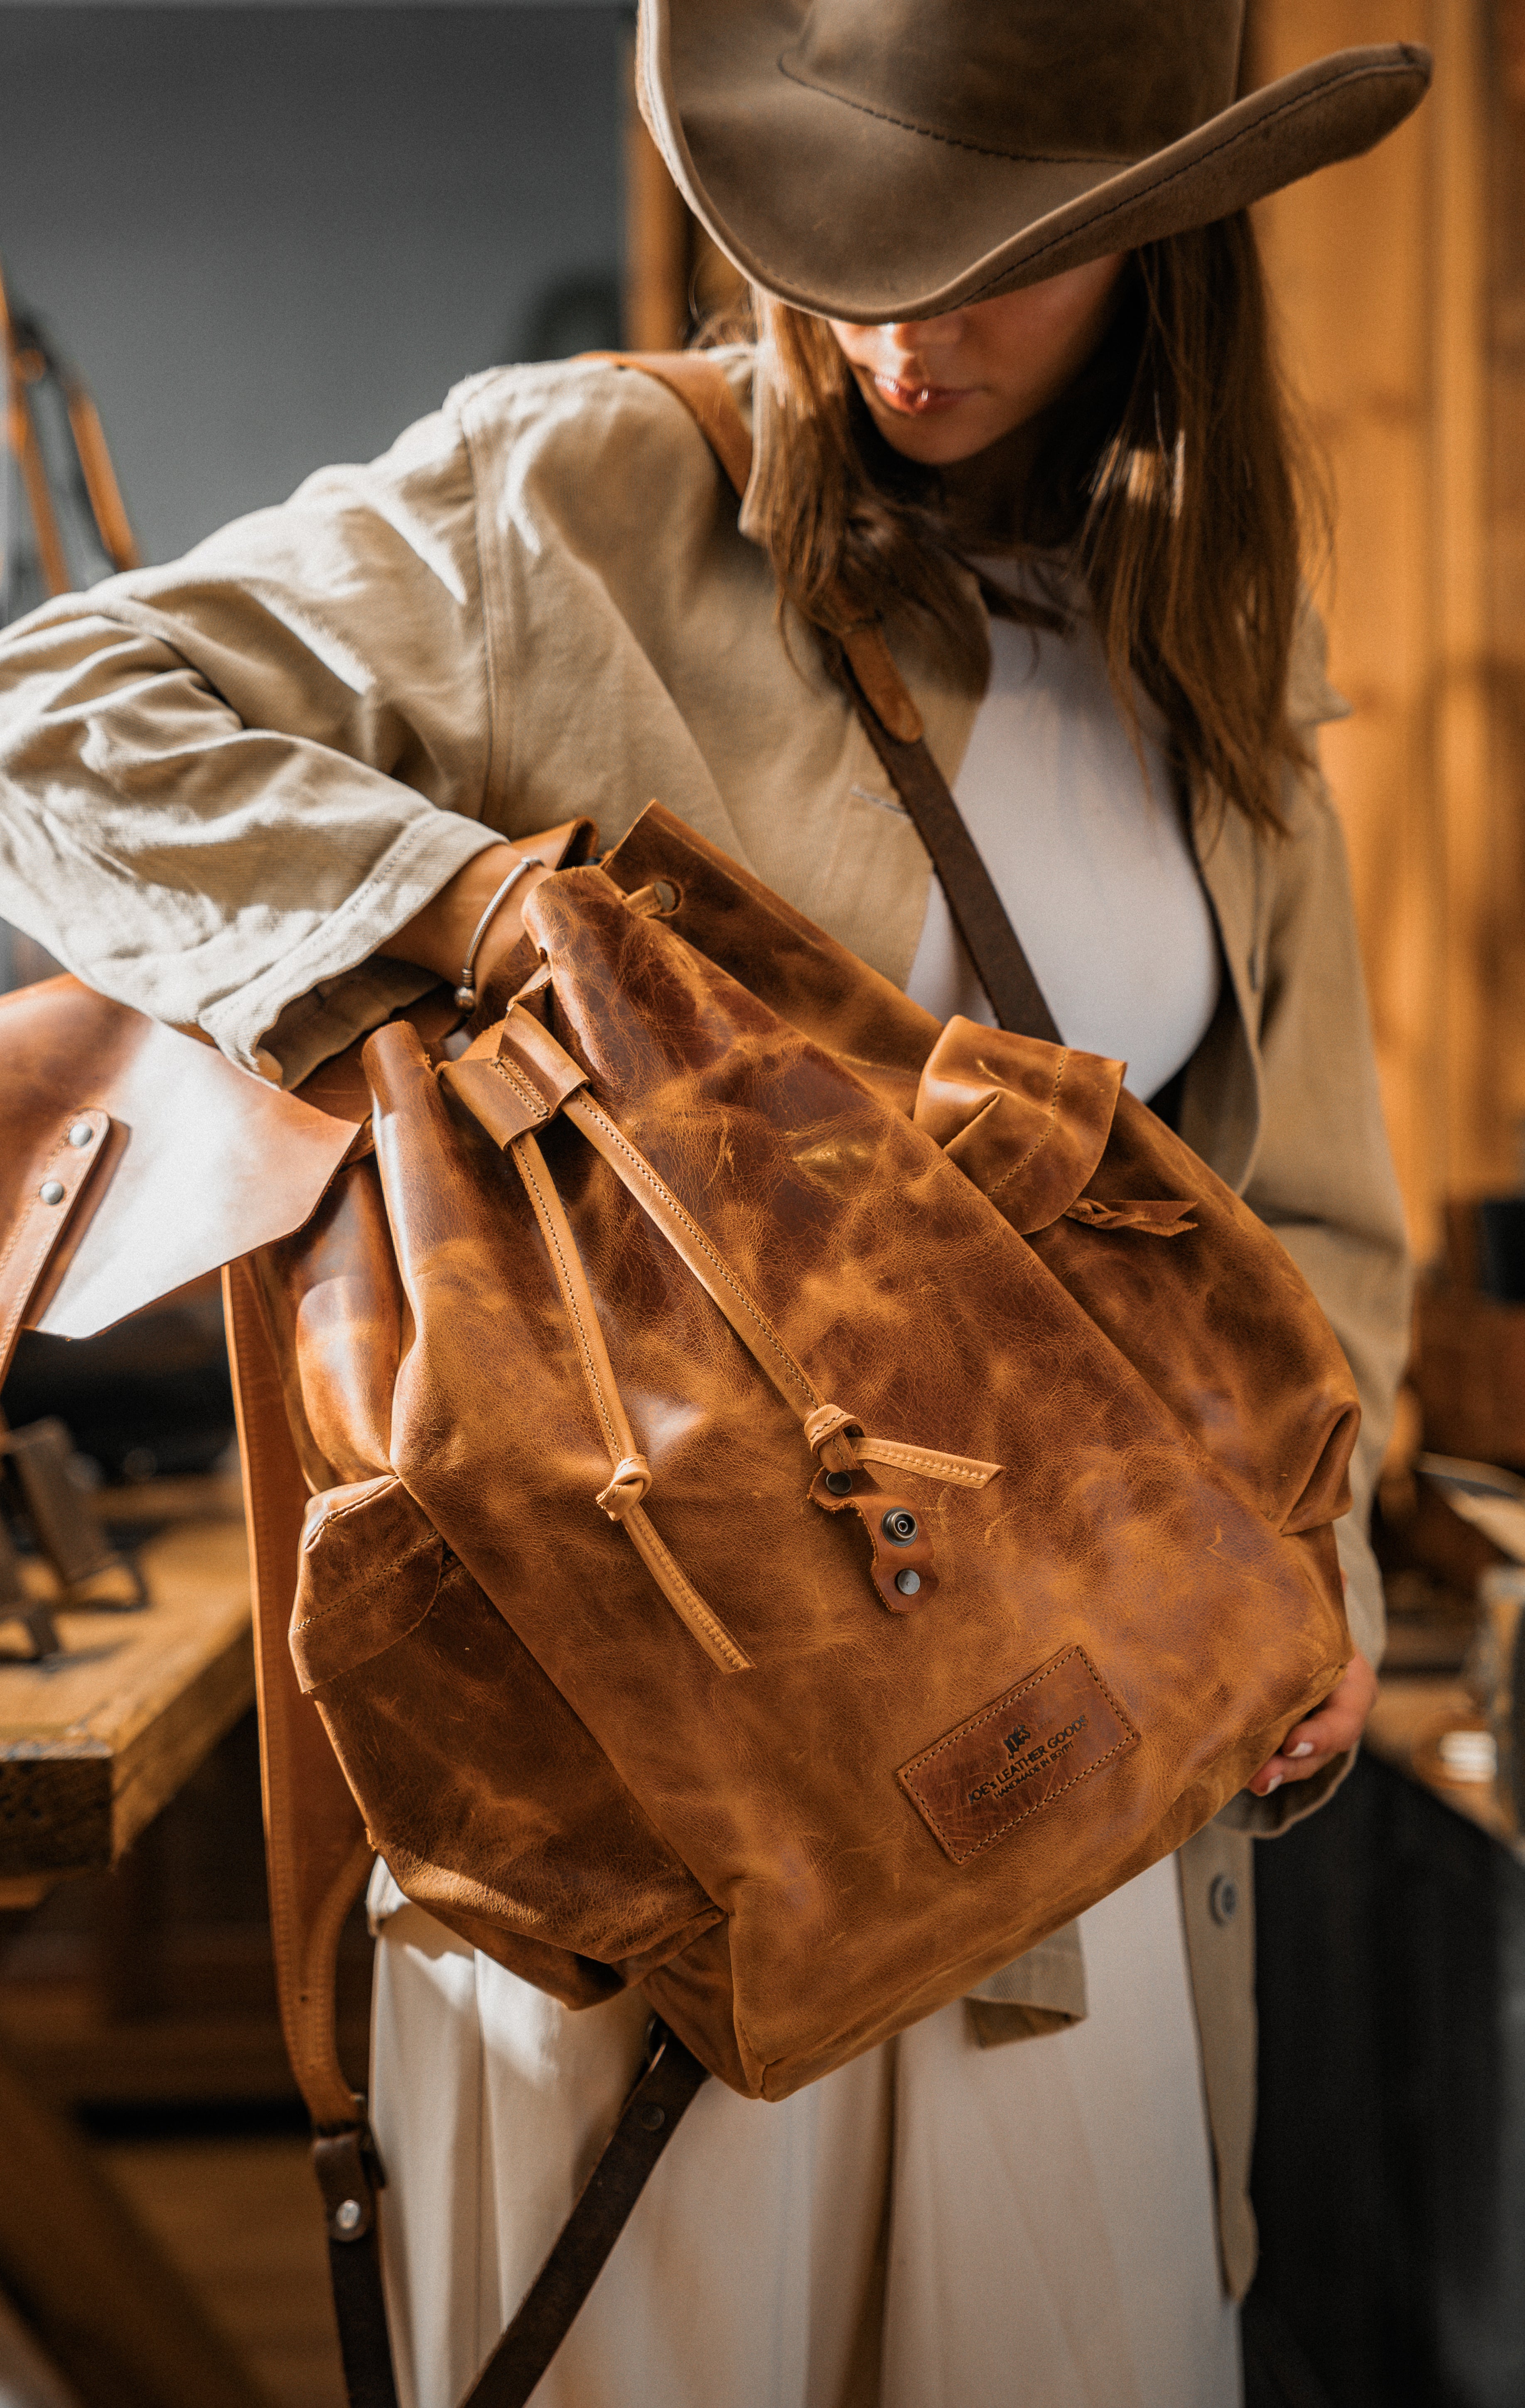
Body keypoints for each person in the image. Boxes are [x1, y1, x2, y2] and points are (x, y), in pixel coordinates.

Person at [0, 6, 1427, 2403]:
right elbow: (54, 720)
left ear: (1153, 249)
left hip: (1072, 1788)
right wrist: (468, 909)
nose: (900, 324)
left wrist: (1325, 1558)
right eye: (854, 239)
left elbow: (1301, 1205)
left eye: (992, 258)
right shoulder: (576, 491)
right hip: (638, 1783)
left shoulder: (1208, 624)